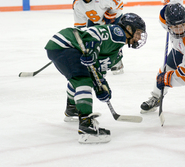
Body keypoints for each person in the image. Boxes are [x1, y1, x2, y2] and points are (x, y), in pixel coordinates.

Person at [45, 13, 147, 143]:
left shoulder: (117, 53)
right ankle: (86, 126)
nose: (139, 37)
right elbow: (93, 32)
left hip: (61, 46)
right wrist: (92, 48)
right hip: (67, 43)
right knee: (83, 79)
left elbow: (97, 73)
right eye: (138, 32)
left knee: (79, 77)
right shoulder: (118, 33)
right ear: (128, 28)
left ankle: (72, 108)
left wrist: (103, 87)